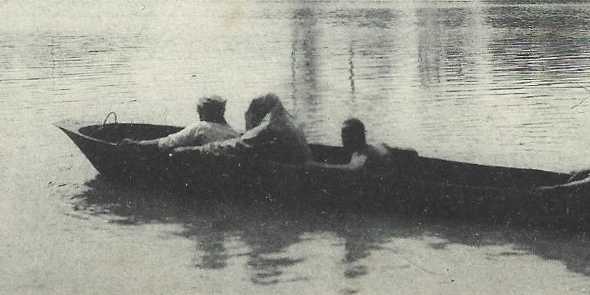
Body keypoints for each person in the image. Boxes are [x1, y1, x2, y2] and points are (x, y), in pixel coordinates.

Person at [177, 93, 313, 165]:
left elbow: (236, 146)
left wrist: (197, 150)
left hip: (290, 168)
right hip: (297, 160)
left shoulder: (268, 127)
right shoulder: (283, 117)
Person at [119, 95, 239, 150]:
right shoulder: (234, 133)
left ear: (204, 113)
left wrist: (136, 144)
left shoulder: (200, 127)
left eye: (200, 113)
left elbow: (166, 143)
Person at [311, 118, 394, 171]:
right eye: (343, 136)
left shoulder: (363, 154)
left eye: (346, 137)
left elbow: (352, 168)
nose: (343, 140)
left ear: (357, 136)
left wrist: (315, 165)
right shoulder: (378, 146)